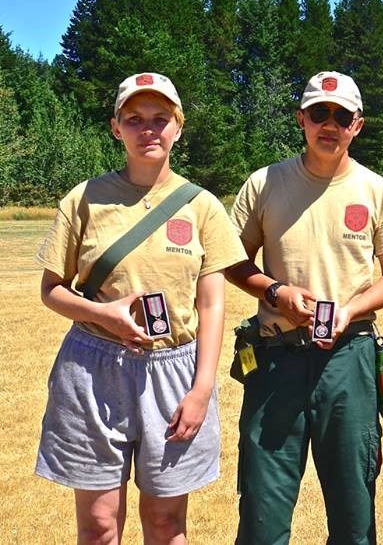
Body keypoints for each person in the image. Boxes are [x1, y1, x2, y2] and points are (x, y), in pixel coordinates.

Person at [35, 72, 246, 544]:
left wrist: (201, 389)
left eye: (160, 118)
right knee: (98, 527)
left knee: (167, 526)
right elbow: (51, 290)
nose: (147, 129)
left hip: (175, 372)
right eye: (134, 119)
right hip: (93, 368)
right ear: (116, 127)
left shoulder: (203, 207)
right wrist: (104, 315)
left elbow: (212, 305)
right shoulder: (84, 198)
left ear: (178, 127)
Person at [227, 71, 383, 544]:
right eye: (318, 113)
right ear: (301, 119)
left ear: (358, 125)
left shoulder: (377, 191)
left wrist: (350, 310)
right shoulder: (264, 183)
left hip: (348, 361)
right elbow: (233, 262)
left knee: (354, 513)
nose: (328, 124)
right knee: (262, 513)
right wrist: (274, 293)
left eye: (341, 115)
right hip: (276, 359)